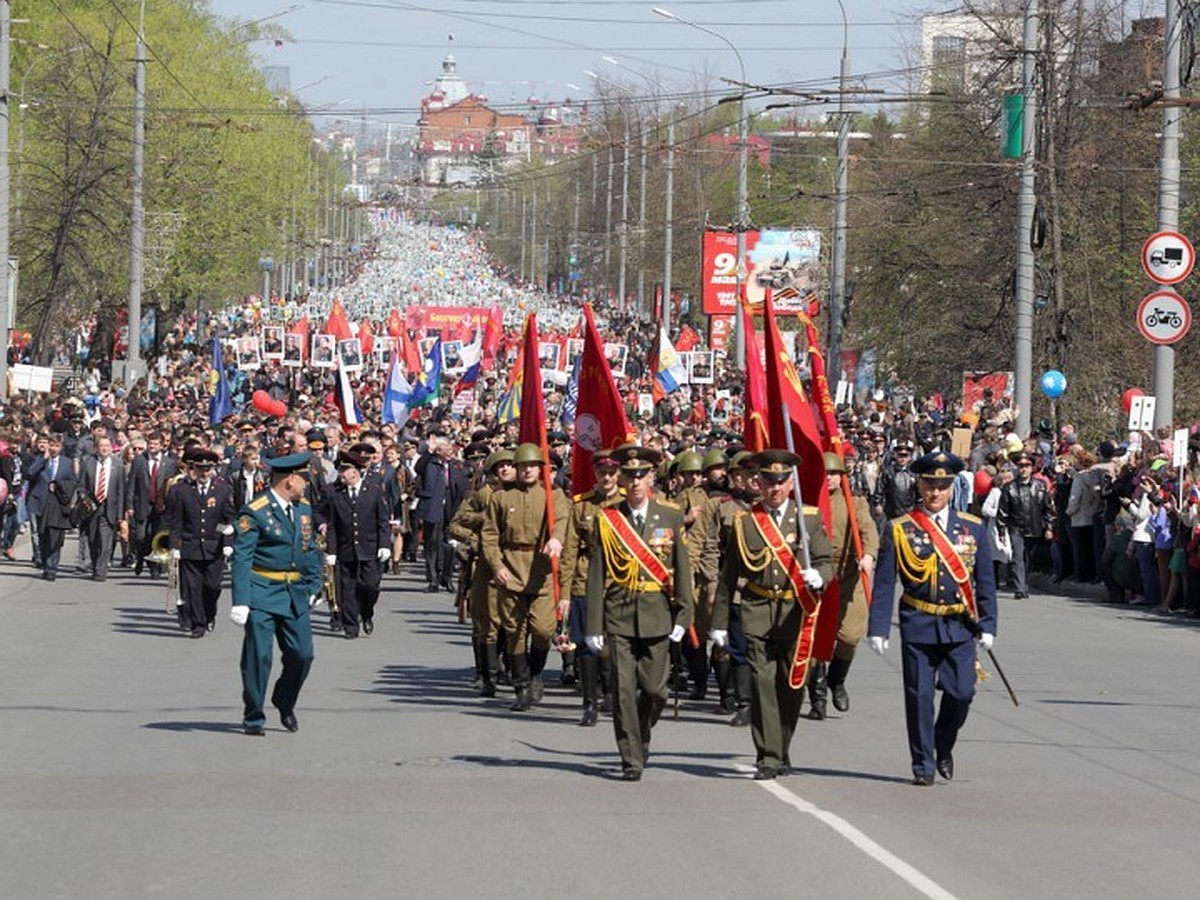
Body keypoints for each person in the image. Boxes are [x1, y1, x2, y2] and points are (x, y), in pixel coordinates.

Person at [867, 450, 998, 785]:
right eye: (929, 485)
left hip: (958, 625)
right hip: (918, 623)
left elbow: (984, 582)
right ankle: (923, 765)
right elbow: (885, 582)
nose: (935, 492)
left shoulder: (972, 528)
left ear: (952, 487)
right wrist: (878, 627)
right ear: (920, 485)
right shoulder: (901, 529)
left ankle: (943, 742)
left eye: (942, 485)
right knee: (920, 696)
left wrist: (988, 625)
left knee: (962, 692)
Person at [710, 450, 834, 780]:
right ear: (758, 483)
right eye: (768, 481)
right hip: (757, 612)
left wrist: (819, 576)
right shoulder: (745, 522)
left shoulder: (807, 518)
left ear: (791, 483)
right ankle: (767, 755)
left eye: (781, 481)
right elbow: (728, 576)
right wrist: (719, 622)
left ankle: (781, 746)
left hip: (796, 612)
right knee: (763, 685)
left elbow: (826, 560)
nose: (775, 488)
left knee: (792, 686)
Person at [585, 444, 694, 780]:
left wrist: (684, 615)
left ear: (651, 478)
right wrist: (593, 624)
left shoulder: (671, 515)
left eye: (641, 475)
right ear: (621, 478)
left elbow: (681, 567)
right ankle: (631, 756)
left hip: (658, 613)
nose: (634, 482)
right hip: (619, 613)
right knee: (622, 690)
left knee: (654, 690)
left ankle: (641, 732)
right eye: (628, 475)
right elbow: (597, 572)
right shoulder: (608, 519)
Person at [229, 451, 323, 736]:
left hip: (294, 592)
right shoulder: (255, 511)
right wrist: (241, 601)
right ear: (290, 480)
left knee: (303, 654)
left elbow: (310, 550)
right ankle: (254, 714)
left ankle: (284, 699)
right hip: (262, 591)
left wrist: (314, 586)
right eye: (304, 478)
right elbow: (243, 557)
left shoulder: (303, 509)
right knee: (259, 656)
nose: (307, 483)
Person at [481, 442, 569, 712]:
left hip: (541, 569)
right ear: (516, 469)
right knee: (514, 631)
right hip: (511, 568)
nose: (528, 470)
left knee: (543, 630)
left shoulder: (553, 496)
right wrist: (497, 566)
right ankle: (521, 686)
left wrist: (555, 539)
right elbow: (490, 535)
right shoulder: (500, 497)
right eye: (523, 466)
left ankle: (535, 672)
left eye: (533, 466)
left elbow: (563, 521)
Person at [806, 451, 879, 719]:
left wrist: (869, 554)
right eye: (826, 474)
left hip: (848, 575)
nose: (830, 479)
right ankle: (818, 699)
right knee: (816, 639)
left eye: (835, 474)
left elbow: (868, 530)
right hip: (817, 574)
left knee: (849, 636)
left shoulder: (854, 502)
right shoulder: (808, 501)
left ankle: (837, 679)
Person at [558, 449, 621, 725]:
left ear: (618, 474)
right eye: (601, 472)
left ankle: (611, 693)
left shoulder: (625, 504)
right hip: (586, 578)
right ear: (594, 473)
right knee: (584, 643)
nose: (606, 477)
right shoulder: (582, 505)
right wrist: (564, 593)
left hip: (618, 580)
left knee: (614, 641)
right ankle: (589, 702)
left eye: (611, 472)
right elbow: (570, 551)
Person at [166, 449, 236, 637]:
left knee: (212, 586)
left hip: (214, 547)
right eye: (200, 469)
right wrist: (174, 546)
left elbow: (229, 518)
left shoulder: (222, 490)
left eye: (207, 469)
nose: (204, 473)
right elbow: (176, 521)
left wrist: (228, 540)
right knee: (193, 588)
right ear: (194, 469)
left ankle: (210, 613)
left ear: (213, 469)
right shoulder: (182, 491)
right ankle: (198, 624)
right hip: (191, 546)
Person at [324, 450, 392, 638]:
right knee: (348, 589)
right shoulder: (337, 494)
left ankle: (367, 612)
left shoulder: (374, 491)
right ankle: (351, 626)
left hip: (369, 547)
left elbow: (382, 521)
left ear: (354, 472)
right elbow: (332, 524)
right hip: (346, 549)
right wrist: (332, 550)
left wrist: (384, 545)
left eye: (344, 471)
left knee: (371, 586)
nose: (340, 474)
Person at [998, 452, 1054, 599]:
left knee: (1028, 558)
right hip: (1015, 528)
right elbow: (1003, 511)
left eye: (1027, 466)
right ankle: (1019, 588)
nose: (1024, 469)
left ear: (1032, 468)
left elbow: (1047, 509)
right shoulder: (1009, 488)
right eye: (1021, 466)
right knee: (1017, 557)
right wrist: (1002, 531)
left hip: (1034, 528)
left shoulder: (1040, 486)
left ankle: (1024, 582)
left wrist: (1048, 527)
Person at [79, 434, 131, 582]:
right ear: (96, 448)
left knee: (106, 539)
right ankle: (95, 564)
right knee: (93, 539)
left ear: (111, 448)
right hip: (92, 507)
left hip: (109, 507)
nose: (104, 449)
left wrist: (121, 515)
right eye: (101, 446)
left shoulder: (118, 465)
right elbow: (81, 485)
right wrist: (84, 499)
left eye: (107, 446)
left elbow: (121, 491)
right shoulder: (88, 463)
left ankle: (101, 570)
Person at [28, 434, 76, 581]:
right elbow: (29, 473)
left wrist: (60, 486)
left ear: (61, 448)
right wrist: (44, 459)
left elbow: (73, 482)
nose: (54, 449)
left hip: (57, 504)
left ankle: (52, 568)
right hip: (40, 502)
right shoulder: (39, 460)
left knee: (55, 537)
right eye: (51, 445)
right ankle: (44, 563)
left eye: (56, 446)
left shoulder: (67, 463)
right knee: (43, 536)